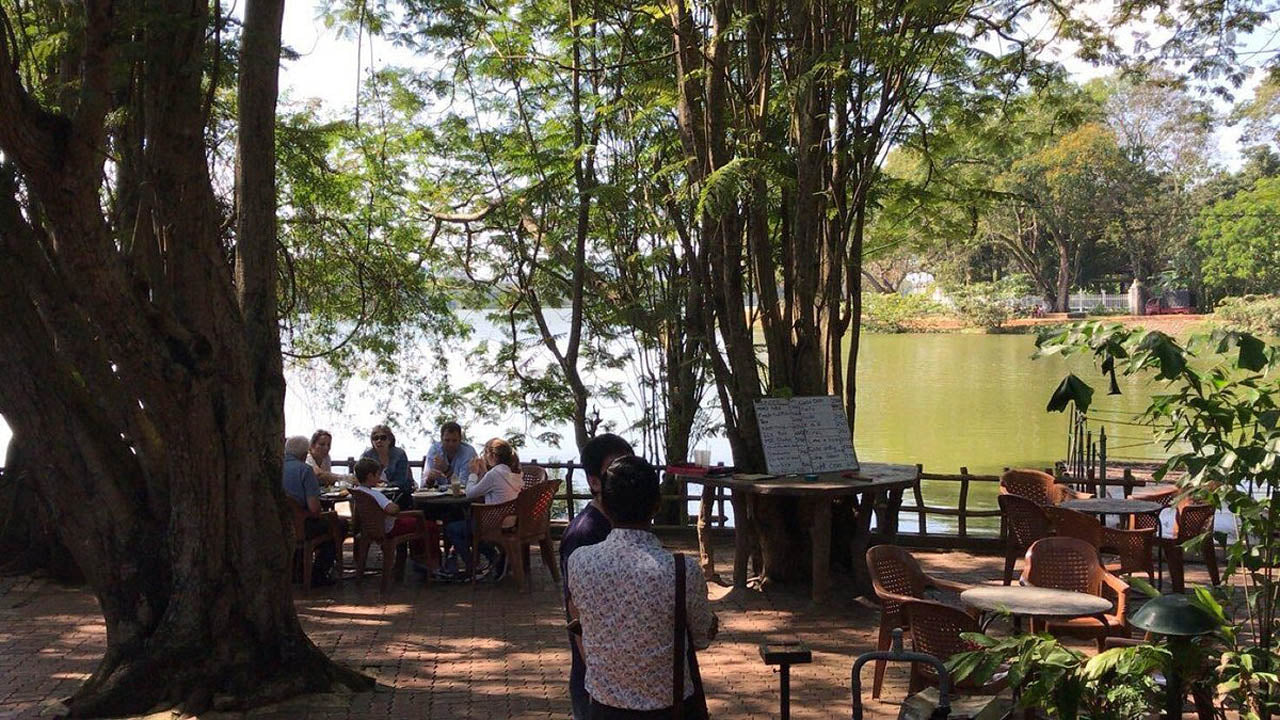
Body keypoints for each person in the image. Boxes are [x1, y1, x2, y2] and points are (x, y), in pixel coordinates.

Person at [568, 456, 717, 719]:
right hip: (669, 708)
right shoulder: (682, 569)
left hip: (604, 707)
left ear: (605, 504)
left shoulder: (580, 562)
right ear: (656, 506)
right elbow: (702, 636)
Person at [560, 433, 635, 720]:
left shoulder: (621, 524)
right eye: (614, 469)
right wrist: (597, 680)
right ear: (594, 482)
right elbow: (577, 615)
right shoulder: (585, 534)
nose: (625, 476)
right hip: (596, 683)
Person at [440, 437, 522, 580]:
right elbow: (489, 485)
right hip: (511, 521)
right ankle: (493, 557)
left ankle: (472, 566)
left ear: (493, 456)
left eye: (485, 453)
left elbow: (470, 493)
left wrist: (473, 473)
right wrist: (484, 471)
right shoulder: (514, 473)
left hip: (493, 523)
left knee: (453, 529)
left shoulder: (495, 474)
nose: (483, 456)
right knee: (468, 529)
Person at [350, 458, 431, 570]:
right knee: (428, 525)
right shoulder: (375, 494)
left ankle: (417, 560)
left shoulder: (358, 492)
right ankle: (427, 562)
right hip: (389, 528)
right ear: (370, 476)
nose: (379, 478)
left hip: (370, 529)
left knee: (415, 522)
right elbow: (391, 510)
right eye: (378, 475)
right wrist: (396, 506)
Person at [282, 435, 342, 585]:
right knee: (339, 525)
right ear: (305, 454)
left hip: (279, 524)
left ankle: (298, 569)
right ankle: (318, 574)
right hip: (301, 526)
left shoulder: (276, 468)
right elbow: (314, 510)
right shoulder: (305, 470)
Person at [360, 424, 414, 507]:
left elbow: (401, 481)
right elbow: (361, 478)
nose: (379, 441)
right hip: (374, 495)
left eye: (383, 438)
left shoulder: (399, 454)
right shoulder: (367, 455)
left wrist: (384, 485)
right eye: (375, 438)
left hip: (399, 495)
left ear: (389, 440)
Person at [425, 421, 478, 489]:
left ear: (460, 439)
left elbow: (463, 485)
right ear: (441, 439)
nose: (451, 444)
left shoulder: (468, 452)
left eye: (454, 440)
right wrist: (430, 479)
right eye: (447, 440)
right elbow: (426, 485)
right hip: (438, 494)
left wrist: (446, 470)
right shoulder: (435, 450)